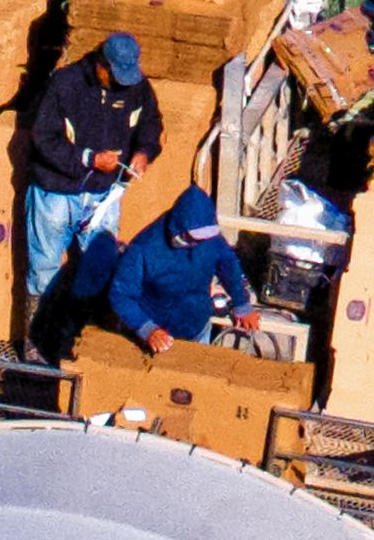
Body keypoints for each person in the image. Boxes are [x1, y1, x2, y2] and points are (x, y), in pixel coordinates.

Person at [16, 29, 162, 325]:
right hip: (55, 193)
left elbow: (150, 124)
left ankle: (85, 340)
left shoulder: (137, 88)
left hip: (103, 196)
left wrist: (144, 153)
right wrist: (89, 159)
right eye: (117, 76)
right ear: (102, 65)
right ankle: (37, 344)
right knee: (44, 269)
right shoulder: (65, 84)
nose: (124, 84)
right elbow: (44, 138)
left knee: (101, 267)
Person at [85, 182, 258, 350]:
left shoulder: (209, 237)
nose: (201, 242)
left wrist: (241, 303)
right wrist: (147, 329)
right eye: (195, 238)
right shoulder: (144, 249)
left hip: (197, 328)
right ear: (180, 230)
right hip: (157, 337)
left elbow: (227, 263)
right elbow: (121, 295)